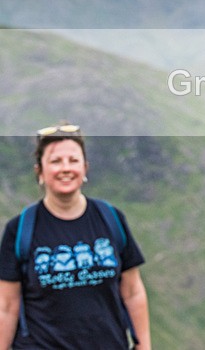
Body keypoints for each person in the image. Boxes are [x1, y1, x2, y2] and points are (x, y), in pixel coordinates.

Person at [0, 123, 151, 350]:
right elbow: (6, 305)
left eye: (73, 160)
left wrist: (144, 346)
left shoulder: (110, 218)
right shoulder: (20, 229)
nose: (65, 168)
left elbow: (132, 291)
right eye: (55, 161)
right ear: (39, 171)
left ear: (85, 167)